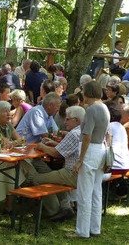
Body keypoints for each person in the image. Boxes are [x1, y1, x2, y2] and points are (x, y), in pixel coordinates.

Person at [26, 106, 86, 221]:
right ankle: (65, 207)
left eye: (68, 119)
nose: (65, 122)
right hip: (81, 173)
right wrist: (54, 143)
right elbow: (66, 149)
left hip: (70, 174)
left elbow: (56, 154)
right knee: (52, 176)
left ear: (77, 120)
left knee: (36, 180)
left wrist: (42, 146)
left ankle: (54, 211)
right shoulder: (83, 131)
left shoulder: (73, 134)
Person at [72, 81, 109, 239]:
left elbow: (87, 136)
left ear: (88, 93)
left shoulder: (92, 109)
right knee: (96, 192)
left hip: (90, 151)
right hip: (100, 149)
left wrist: (80, 160)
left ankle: (82, 231)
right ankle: (95, 227)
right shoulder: (104, 107)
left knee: (84, 194)